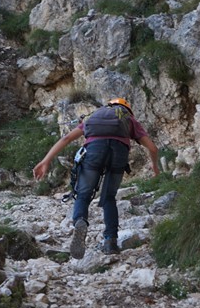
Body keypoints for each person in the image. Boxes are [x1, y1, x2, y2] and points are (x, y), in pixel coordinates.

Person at [32, 98, 160, 258]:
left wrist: (46, 161)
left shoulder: (94, 115)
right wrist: (155, 166)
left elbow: (66, 139)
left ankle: (80, 221)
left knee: (83, 194)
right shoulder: (129, 119)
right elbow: (153, 148)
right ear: (127, 109)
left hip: (94, 150)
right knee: (109, 198)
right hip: (119, 154)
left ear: (109, 105)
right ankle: (111, 242)